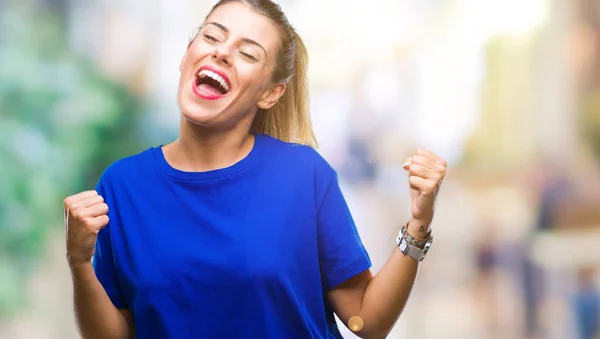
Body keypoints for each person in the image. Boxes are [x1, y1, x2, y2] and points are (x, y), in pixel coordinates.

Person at [63, 1, 447, 338]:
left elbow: (367, 320)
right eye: (213, 37)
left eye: (248, 53)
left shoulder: (303, 176)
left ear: (270, 93)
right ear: (187, 55)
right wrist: (79, 263)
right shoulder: (122, 186)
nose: (222, 54)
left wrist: (418, 223)